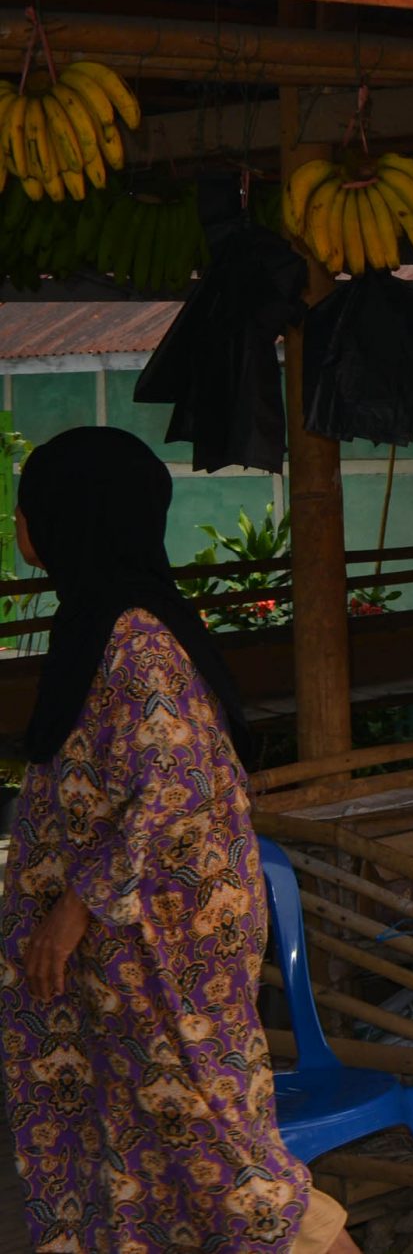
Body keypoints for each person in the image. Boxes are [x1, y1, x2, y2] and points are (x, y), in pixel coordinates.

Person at [0, 428, 356, 1253]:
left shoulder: (135, 639)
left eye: (33, 503)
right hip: (117, 963)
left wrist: (75, 909)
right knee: (133, 1164)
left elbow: (183, 784)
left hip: (160, 953)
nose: (19, 521)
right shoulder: (94, 623)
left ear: (75, 516)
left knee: (226, 1163)